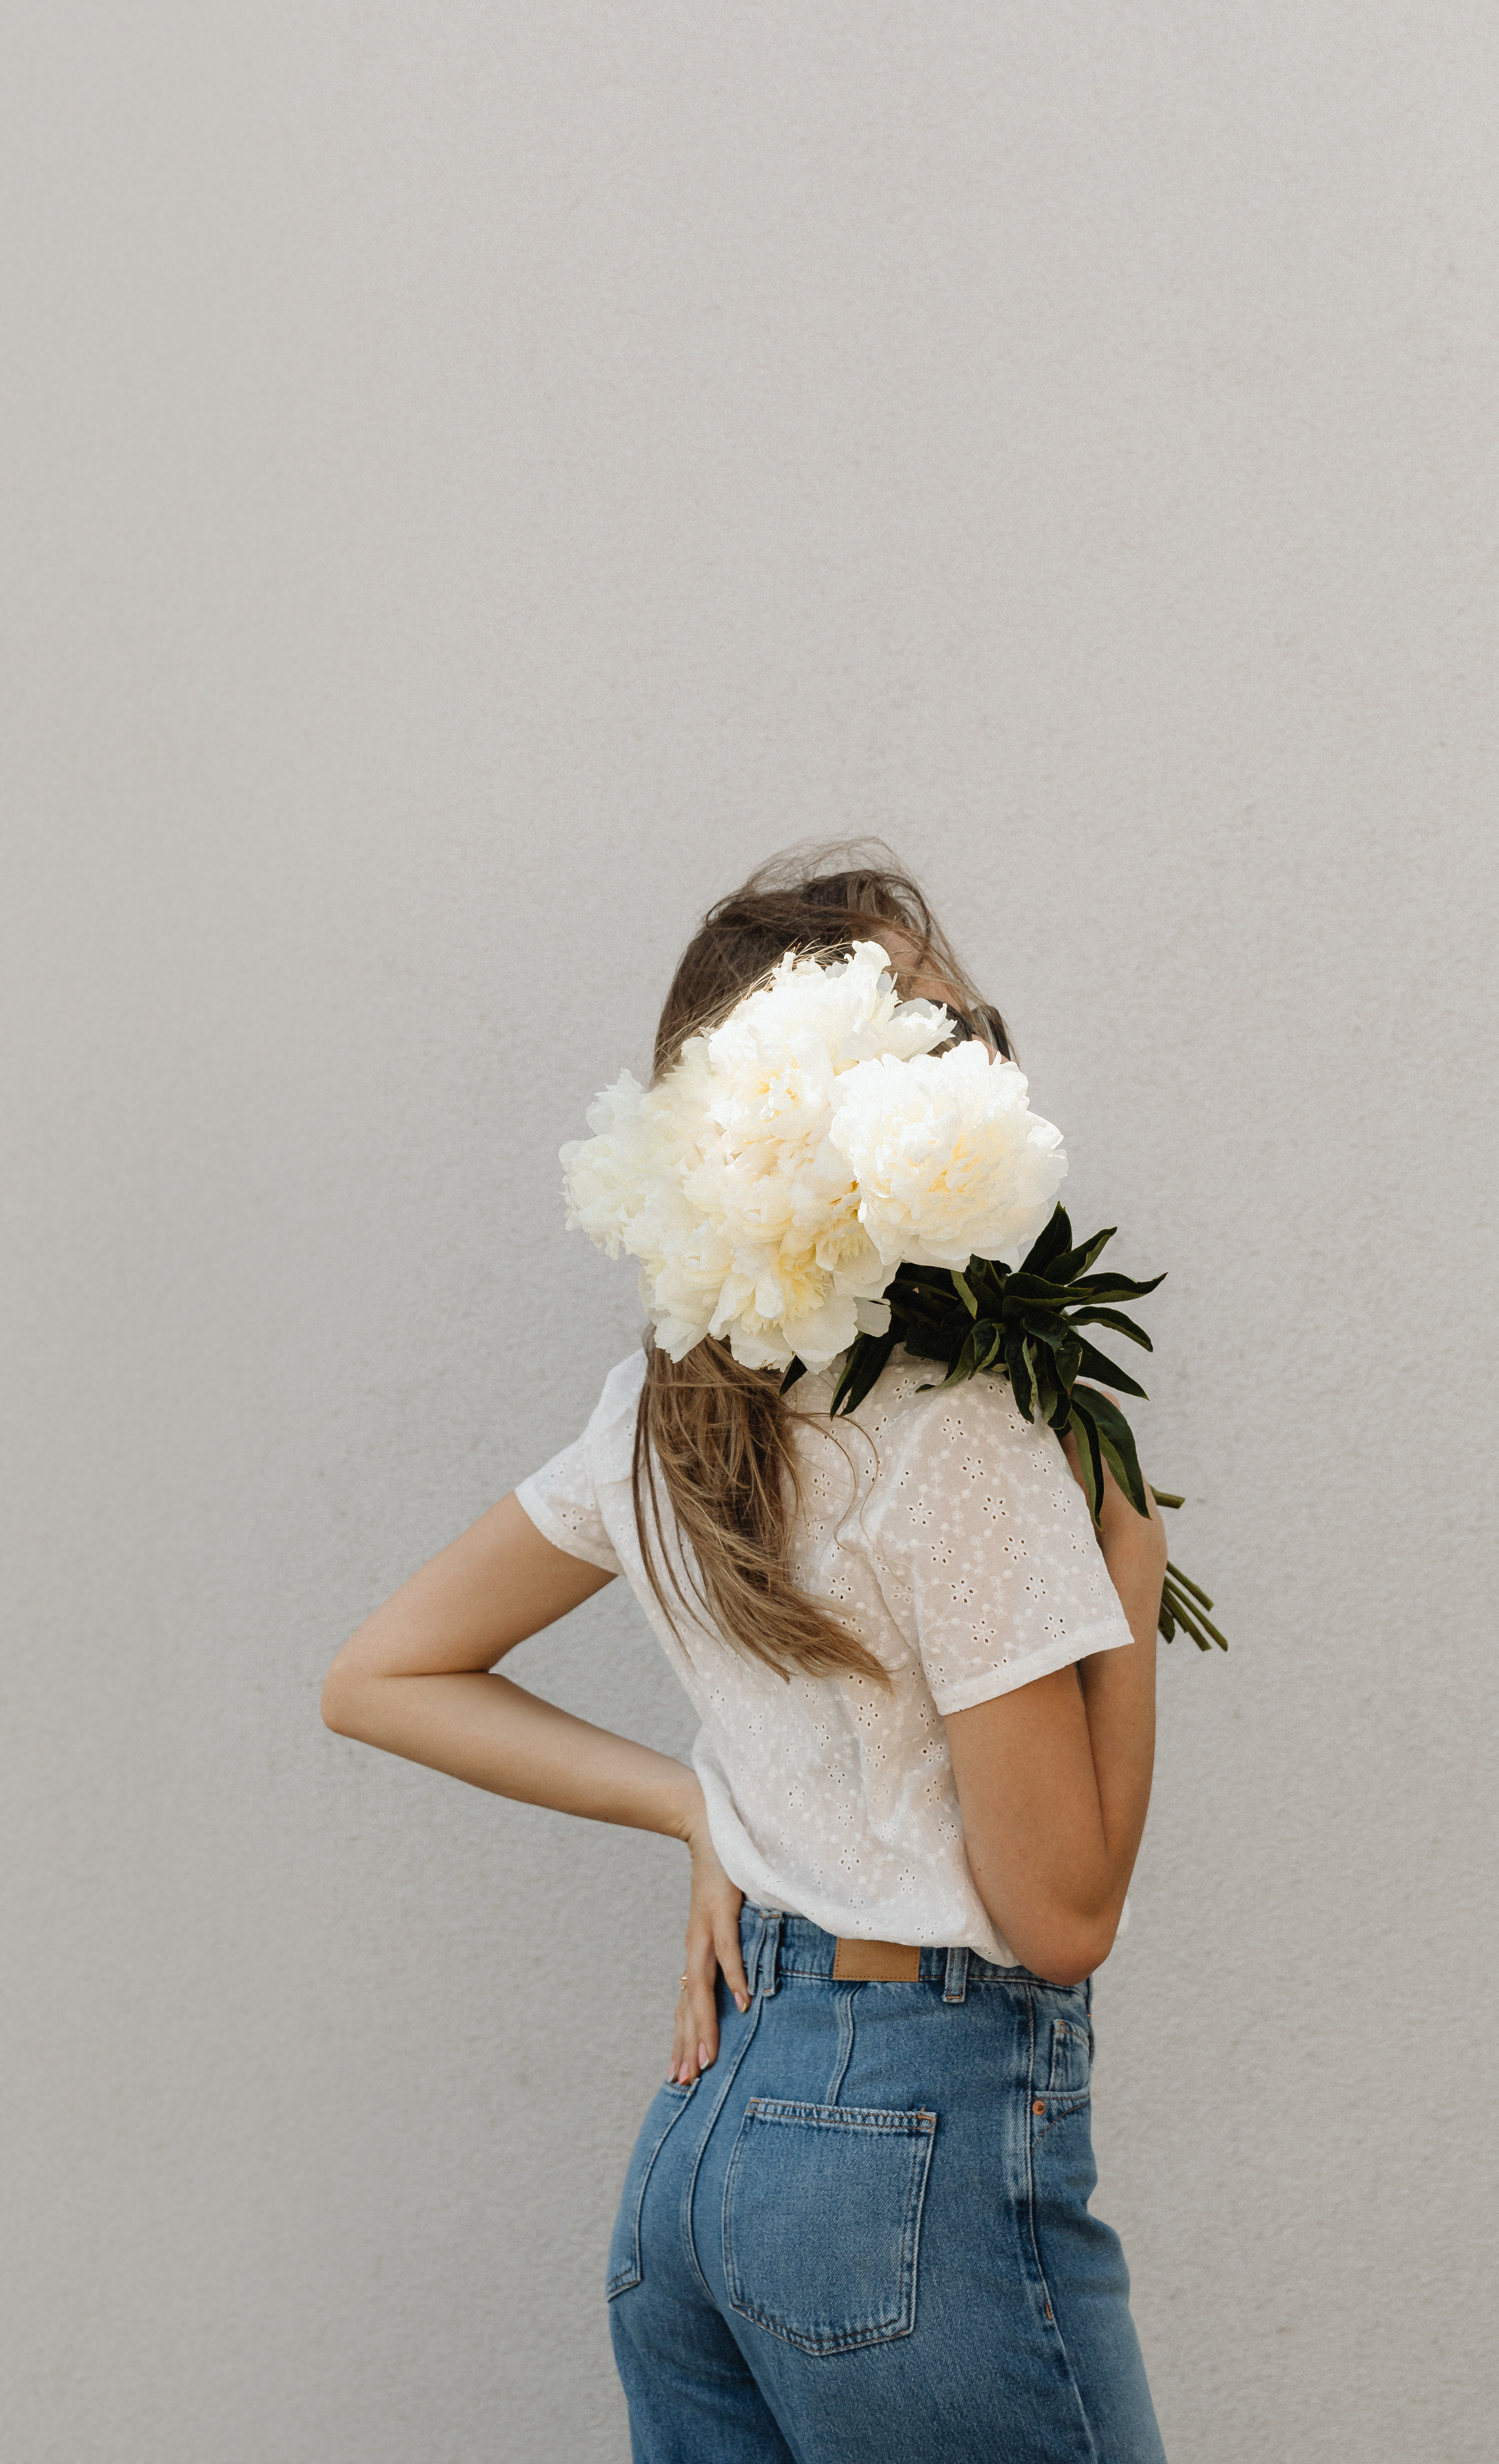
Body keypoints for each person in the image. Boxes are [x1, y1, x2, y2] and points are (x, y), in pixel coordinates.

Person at [322, 848, 1170, 2463]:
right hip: (904, 2143)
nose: (974, 1054)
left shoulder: (658, 1420)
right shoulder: (966, 1438)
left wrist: (696, 1809)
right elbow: (1062, 1914)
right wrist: (1124, 1578)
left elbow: (382, 1669)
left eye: (966, 1019)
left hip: (708, 2145)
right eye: (929, 1026)